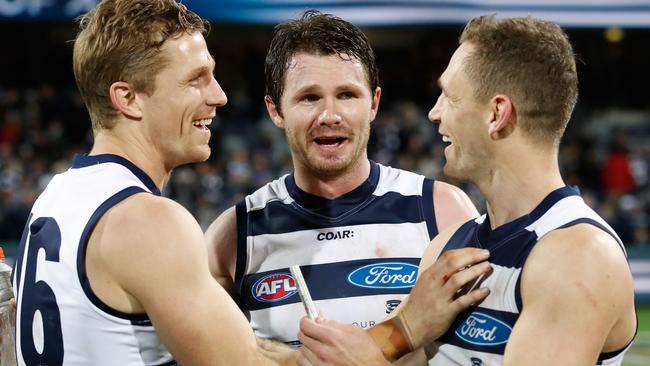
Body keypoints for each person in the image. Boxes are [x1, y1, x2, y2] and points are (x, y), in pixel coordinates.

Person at [298, 15, 637, 366]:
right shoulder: (448, 246)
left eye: (449, 96)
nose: (434, 113)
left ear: (497, 114)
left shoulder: (578, 256)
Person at [11, 1, 296, 364]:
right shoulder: (148, 222)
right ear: (128, 98)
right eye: (196, 79)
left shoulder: (55, 196)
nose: (218, 96)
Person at [205, 10, 481, 353]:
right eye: (309, 97)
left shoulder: (442, 211)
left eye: (347, 95)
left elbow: (479, 354)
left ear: (374, 103)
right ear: (275, 110)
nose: (330, 116)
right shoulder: (232, 237)